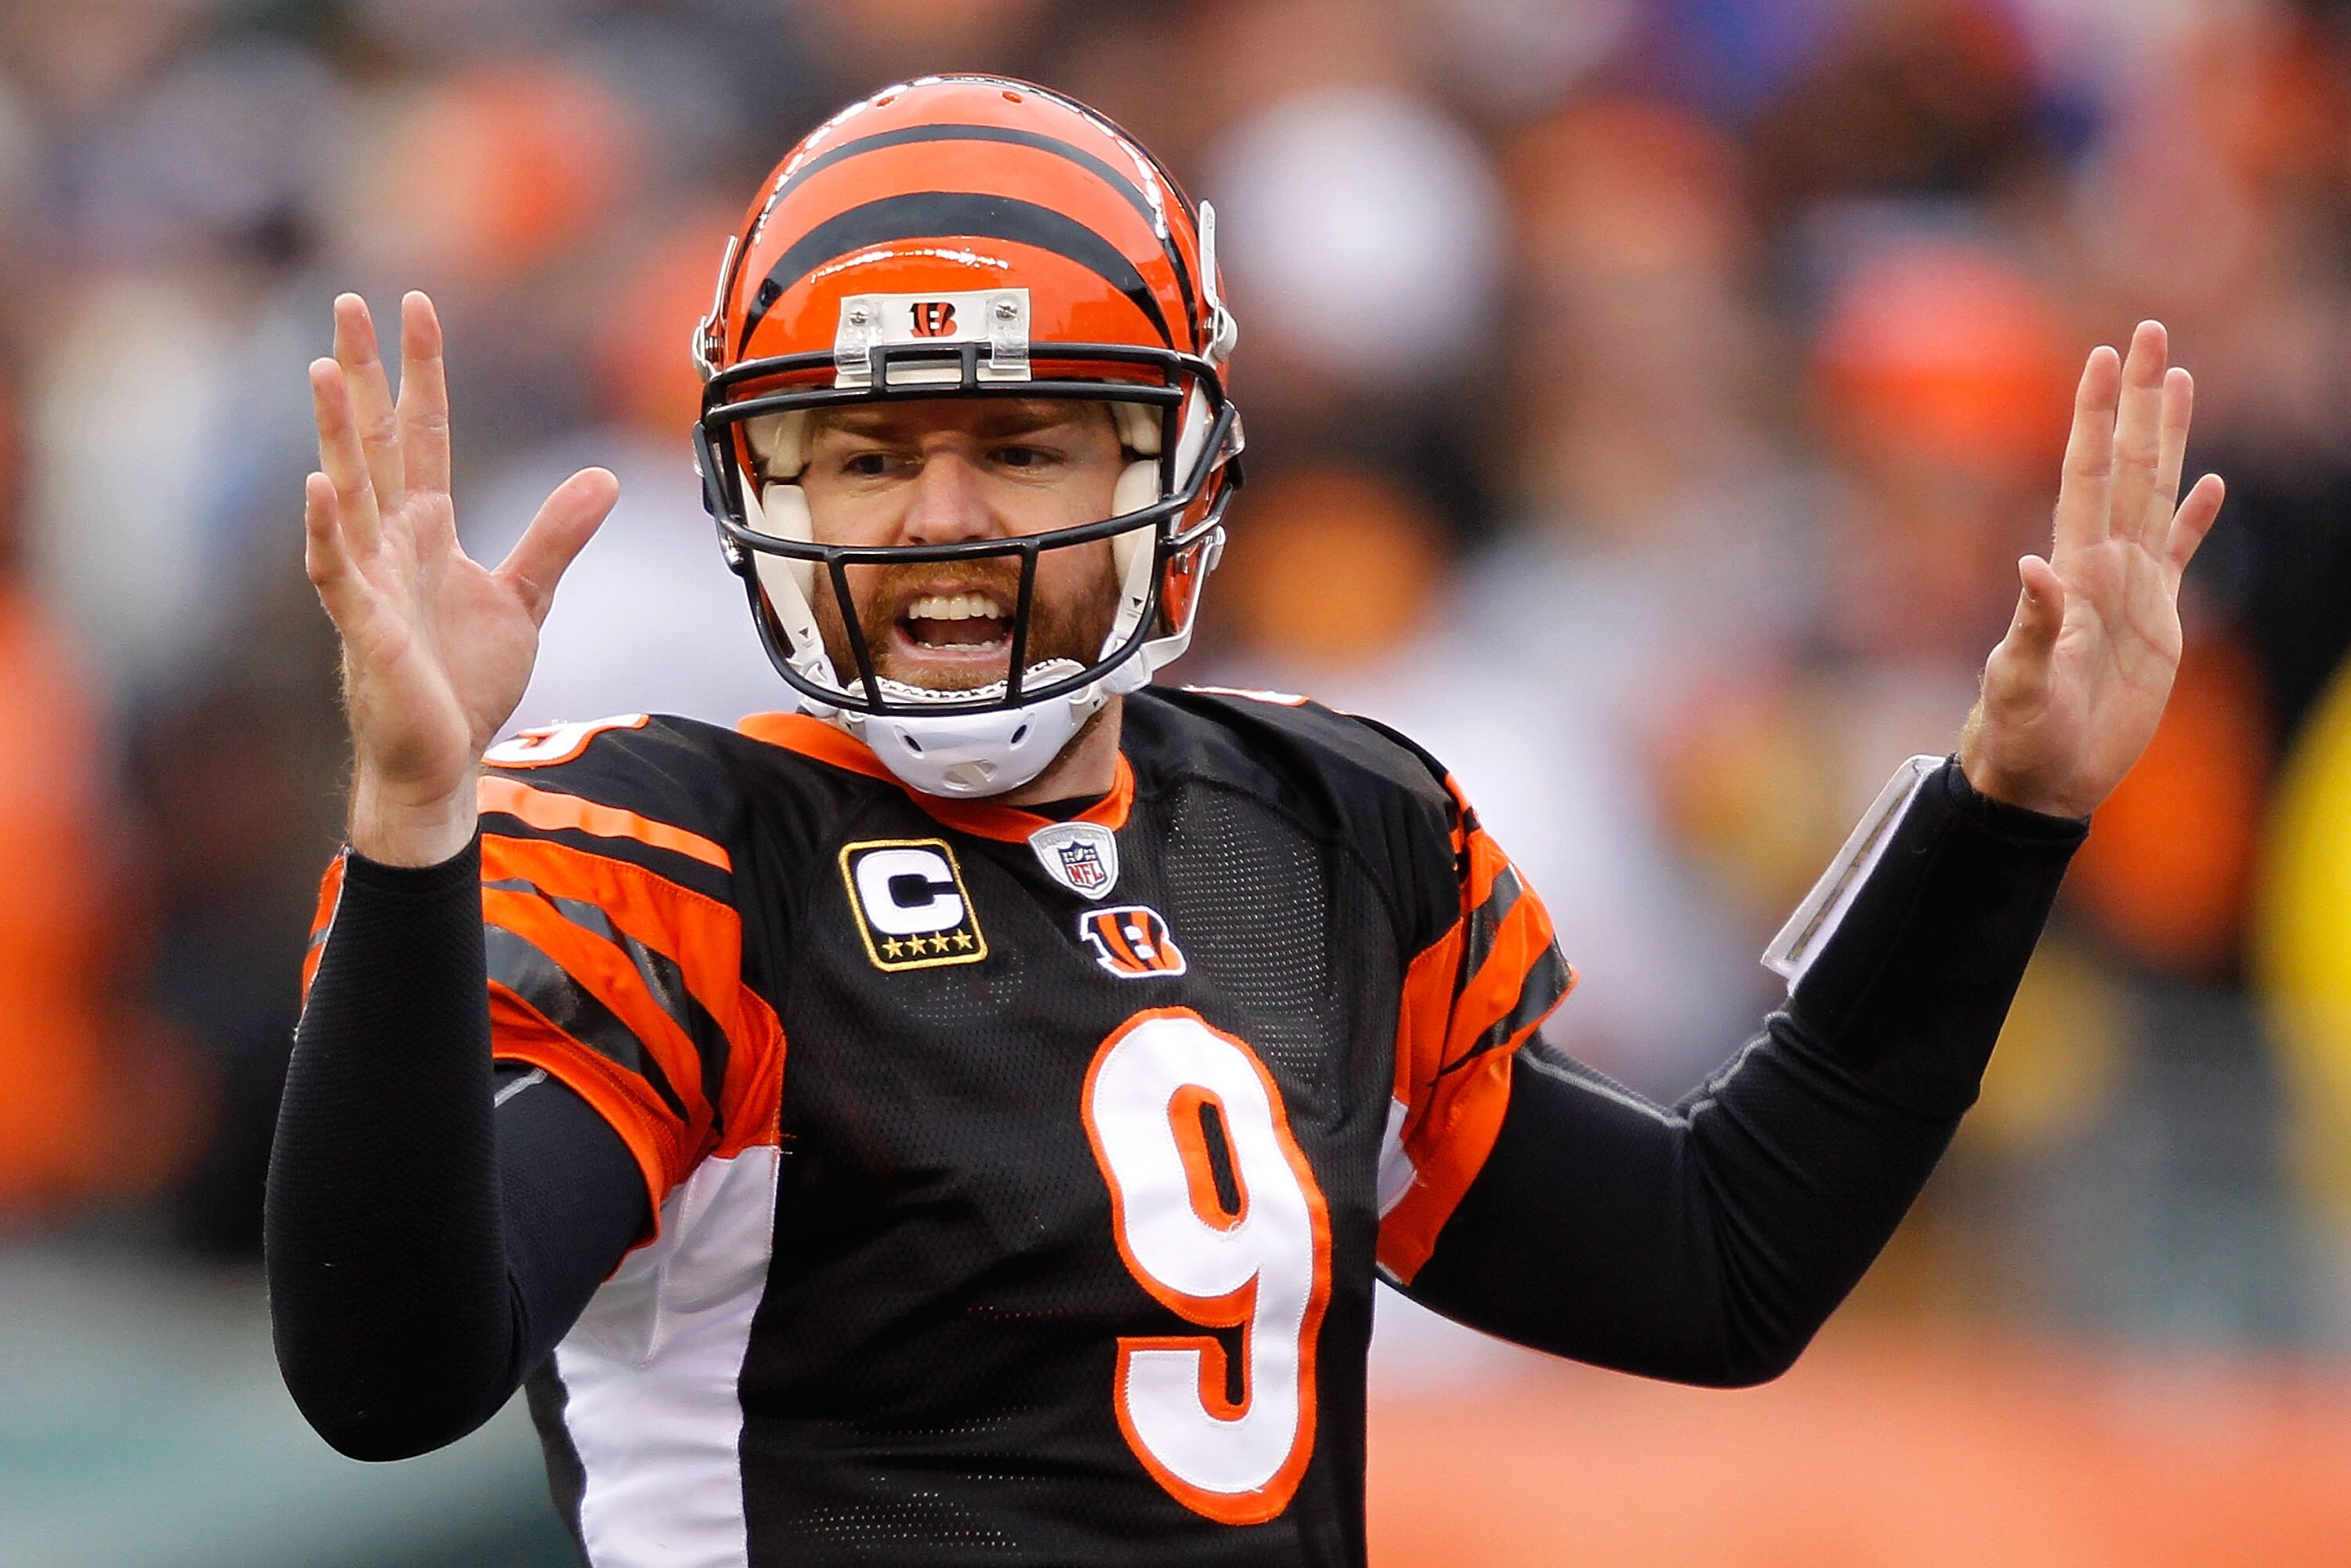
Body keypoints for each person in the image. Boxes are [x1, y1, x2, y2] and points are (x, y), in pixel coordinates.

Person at [266, 77, 2226, 1568]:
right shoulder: (684, 864)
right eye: (867, 456)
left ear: (1175, 468)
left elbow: (1720, 1268)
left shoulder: (1324, 833)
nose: (942, 519)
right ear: (765, 484)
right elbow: (389, 1372)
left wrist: (2003, 815)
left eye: (1023, 443)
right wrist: (414, 825)